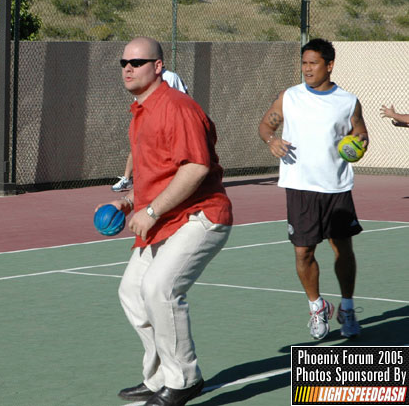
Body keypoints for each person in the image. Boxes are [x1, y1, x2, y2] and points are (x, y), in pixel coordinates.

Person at [99, 37, 233, 406]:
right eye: (123, 62)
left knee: (160, 288)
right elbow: (157, 172)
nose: (127, 67)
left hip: (200, 216)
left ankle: (185, 379)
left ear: (158, 66)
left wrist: (152, 210)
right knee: (132, 293)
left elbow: (196, 167)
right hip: (165, 219)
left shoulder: (176, 107)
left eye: (137, 62)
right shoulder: (142, 111)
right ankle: (160, 376)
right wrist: (130, 202)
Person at [258, 38, 369, 340]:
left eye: (313, 63)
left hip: (336, 187)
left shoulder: (348, 101)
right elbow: (266, 126)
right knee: (303, 251)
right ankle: (317, 307)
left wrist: (359, 144)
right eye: (304, 63)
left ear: (329, 65)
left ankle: (347, 307)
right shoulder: (289, 97)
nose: (307, 69)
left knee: (342, 248)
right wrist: (272, 141)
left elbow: (360, 134)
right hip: (299, 186)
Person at [111, 70, 189, 192]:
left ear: (158, 64)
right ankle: (127, 179)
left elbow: (184, 97)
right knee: (137, 146)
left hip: (168, 121)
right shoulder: (144, 77)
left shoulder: (171, 77)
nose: (130, 68)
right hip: (148, 118)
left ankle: (173, 181)